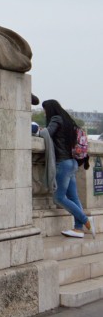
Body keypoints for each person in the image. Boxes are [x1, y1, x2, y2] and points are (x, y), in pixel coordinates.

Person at [43, 99, 95, 239]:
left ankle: (85, 220)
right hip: (73, 162)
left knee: (58, 198)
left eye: (45, 110)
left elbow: (47, 133)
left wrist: (37, 131)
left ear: (50, 109)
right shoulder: (67, 121)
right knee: (73, 197)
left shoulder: (55, 119)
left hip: (63, 163)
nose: (44, 113)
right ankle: (78, 229)